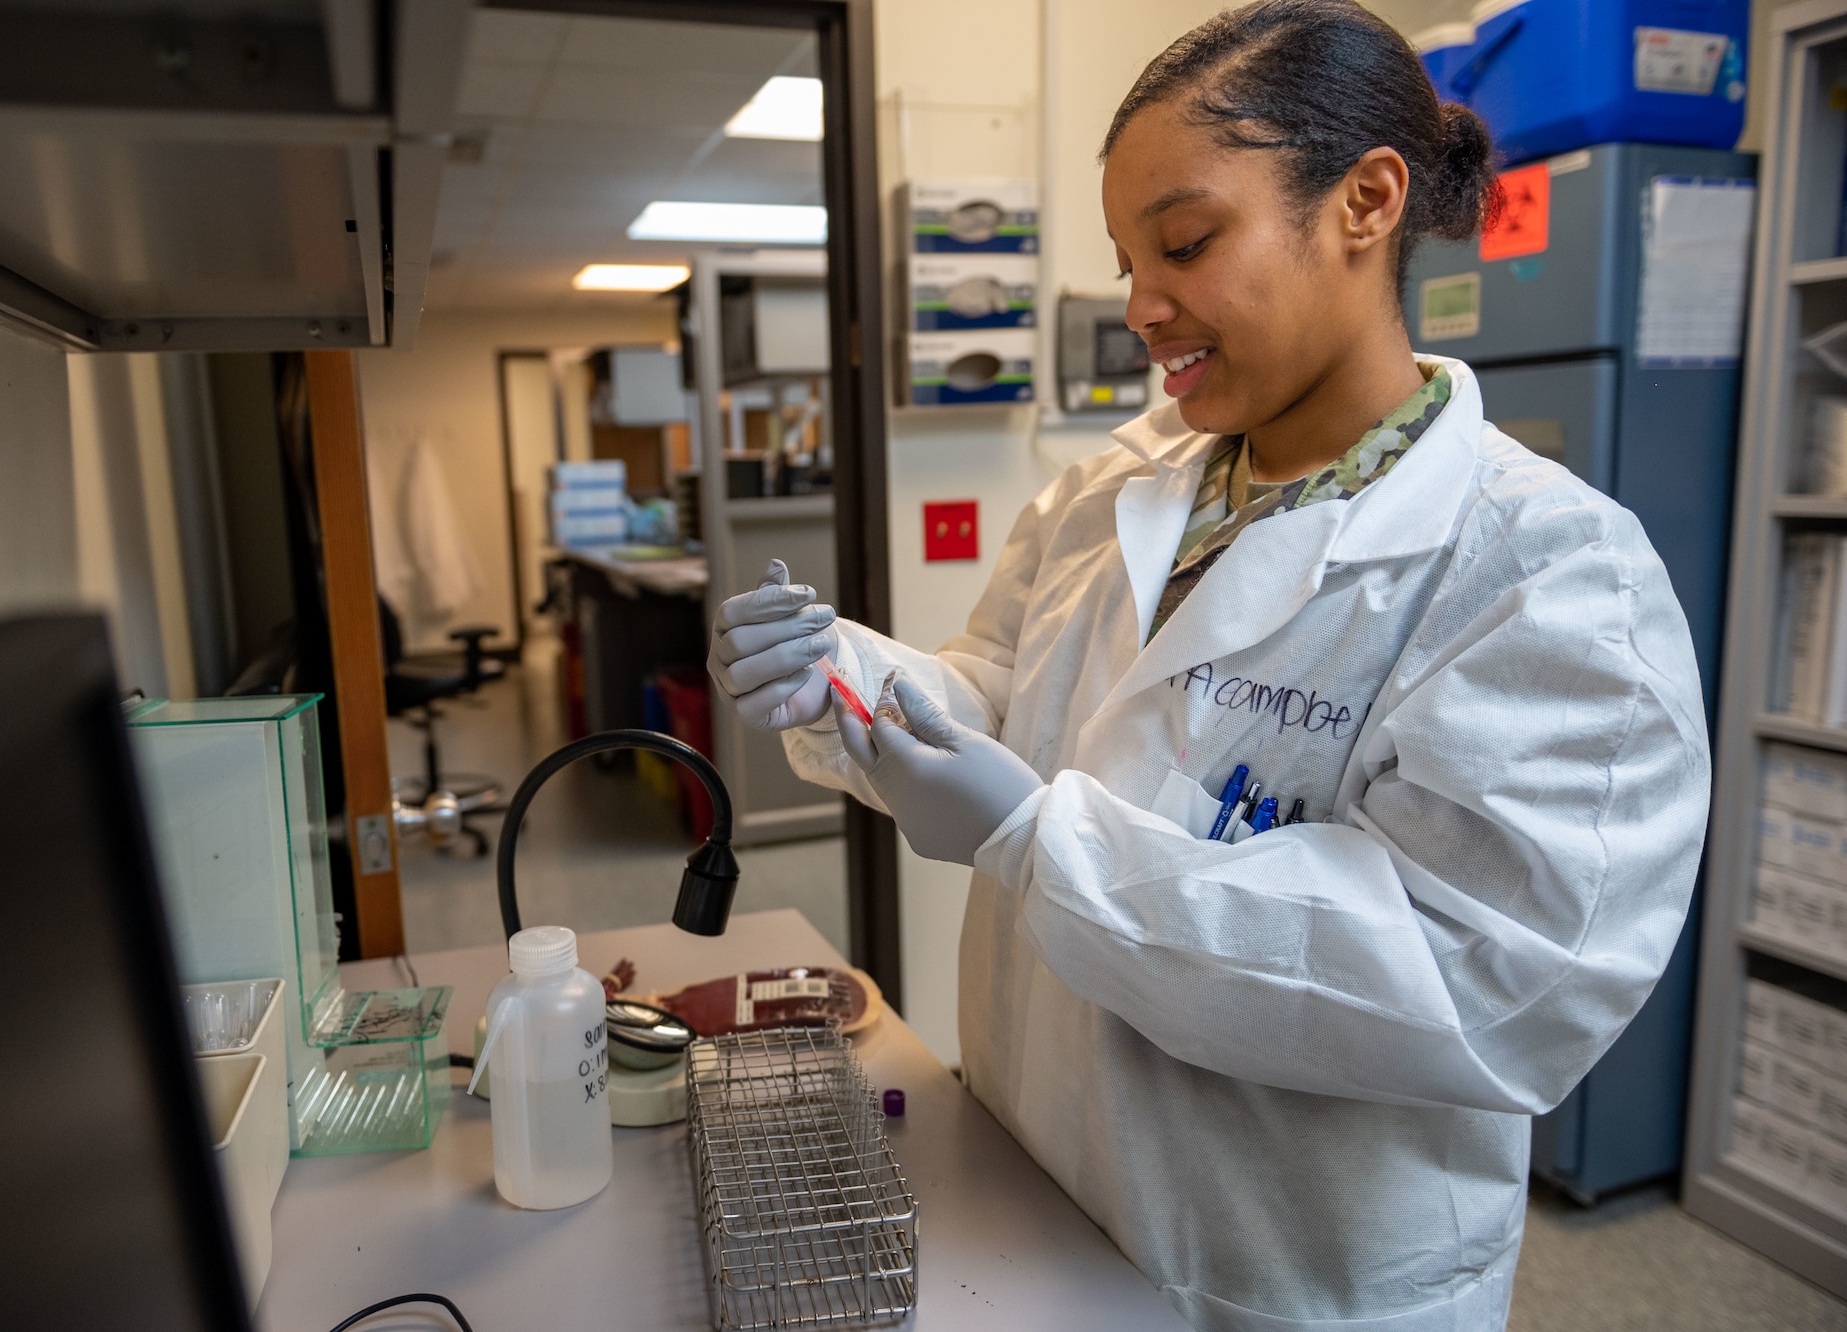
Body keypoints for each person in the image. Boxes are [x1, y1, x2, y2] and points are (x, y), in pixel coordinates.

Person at [707, 1, 1711, 1326]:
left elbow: (1478, 985)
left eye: (1185, 243)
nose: (1141, 307)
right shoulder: (1112, 489)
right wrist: (845, 673)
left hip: (1284, 1269)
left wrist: (1034, 840)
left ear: (1365, 203)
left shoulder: (1550, 574)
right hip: (1036, 1176)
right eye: (1128, 260)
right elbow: (991, 691)